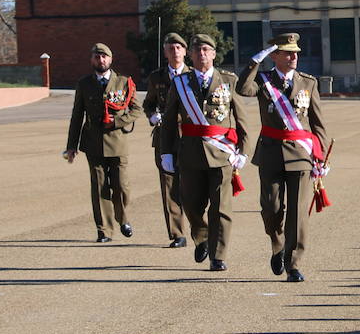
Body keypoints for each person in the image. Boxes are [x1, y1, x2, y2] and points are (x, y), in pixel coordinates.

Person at [237, 32, 330, 282]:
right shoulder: (263, 80)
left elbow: (317, 123)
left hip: (300, 154)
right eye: (288, 52)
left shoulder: (308, 82)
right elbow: (243, 88)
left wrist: (319, 155)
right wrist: (255, 61)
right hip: (270, 153)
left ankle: (293, 263)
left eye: (296, 52)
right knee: (271, 208)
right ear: (274, 55)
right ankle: (277, 245)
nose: (294, 56)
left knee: (298, 213)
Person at [159, 34, 250, 273]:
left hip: (222, 155)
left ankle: (218, 256)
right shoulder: (180, 83)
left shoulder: (229, 80)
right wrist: (166, 153)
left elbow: (241, 119)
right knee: (191, 205)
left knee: (221, 208)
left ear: (213, 54)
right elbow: (169, 122)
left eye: (206, 50)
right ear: (191, 55)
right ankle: (201, 237)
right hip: (190, 153)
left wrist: (243, 150)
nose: (201, 54)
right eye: (197, 50)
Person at [63, 42, 142, 243]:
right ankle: (104, 230)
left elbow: (136, 110)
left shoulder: (124, 82)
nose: (101, 60)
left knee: (121, 186)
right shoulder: (84, 84)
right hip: (93, 143)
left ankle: (122, 218)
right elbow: (77, 115)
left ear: (111, 59)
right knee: (99, 188)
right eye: (97, 57)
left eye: (104, 57)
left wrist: (117, 121)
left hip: (118, 143)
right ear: (92, 60)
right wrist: (71, 145)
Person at [143, 32, 192, 248]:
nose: (175, 52)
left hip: (190, 136)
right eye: (171, 48)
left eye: (179, 48)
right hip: (165, 138)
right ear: (165, 52)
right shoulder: (157, 77)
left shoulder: (194, 75)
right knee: (169, 185)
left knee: (192, 185)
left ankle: (198, 227)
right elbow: (148, 102)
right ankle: (177, 233)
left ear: (185, 51)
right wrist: (152, 115)